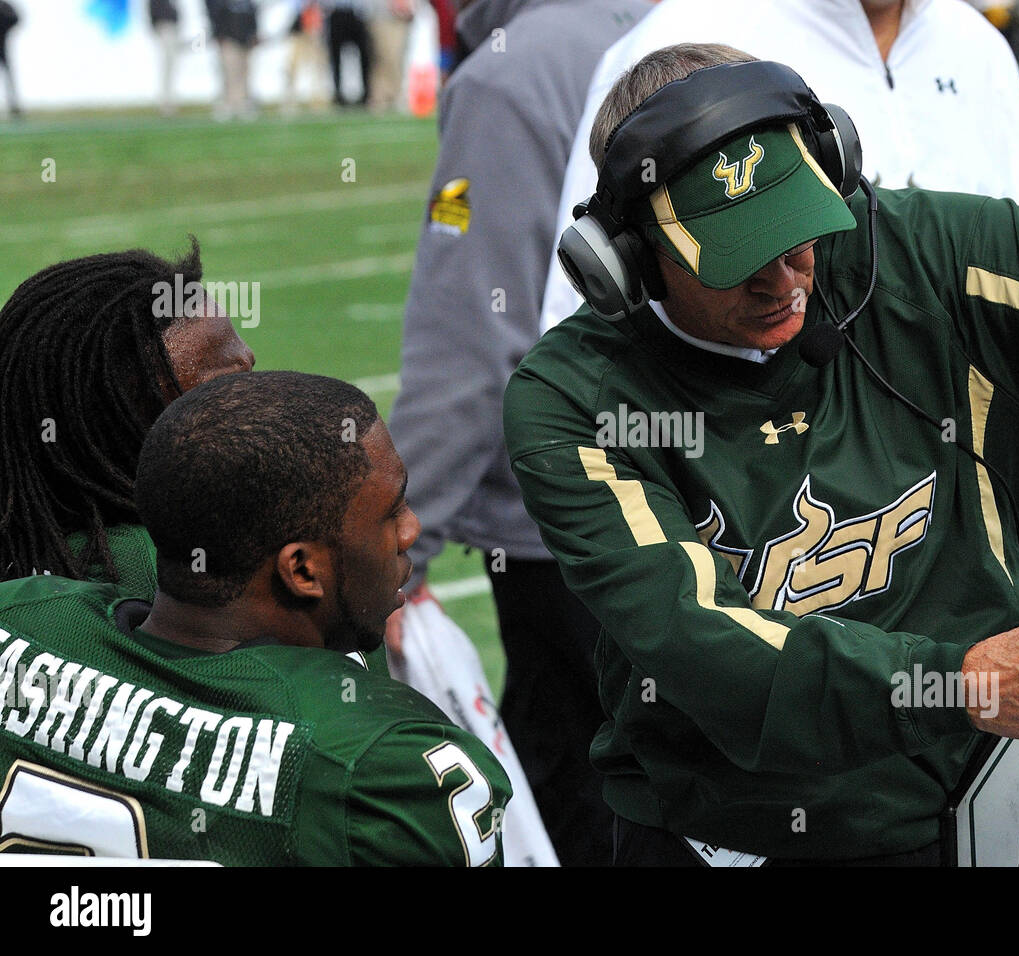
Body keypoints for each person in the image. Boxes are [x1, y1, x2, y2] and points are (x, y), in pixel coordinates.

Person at [503, 44, 1019, 864]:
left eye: (796, 230)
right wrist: (959, 683)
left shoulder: (924, 253)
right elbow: (713, 655)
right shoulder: (572, 400)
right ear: (628, 260)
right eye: (738, 259)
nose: (784, 279)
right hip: (727, 841)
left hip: (986, 809)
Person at [536, 0, 1019, 556]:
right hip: (768, 555)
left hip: (986, 523)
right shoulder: (683, 35)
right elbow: (598, 291)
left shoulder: (975, 41)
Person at [0, 371, 512, 865]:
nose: (412, 530)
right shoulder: (381, 766)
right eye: (391, 512)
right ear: (303, 570)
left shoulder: (18, 616)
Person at [387, 0, 650, 866]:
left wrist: (395, 548)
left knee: (580, 812)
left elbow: (472, 340)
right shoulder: (681, 20)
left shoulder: (510, 71)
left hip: (576, 528)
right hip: (749, 500)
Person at [0, 242, 254, 596]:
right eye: (225, 390)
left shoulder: (28, 531)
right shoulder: (159, 576)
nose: (256, 401)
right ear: (117, 421)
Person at [325, 0, 374, 107]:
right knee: (335, 57)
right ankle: (338, 94)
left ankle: (366, 94)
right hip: (336, 12)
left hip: (357, 14)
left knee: (365, 56)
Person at [150, 0, 181, 116]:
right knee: (167, 66)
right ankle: (166, 103)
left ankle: (169, 101)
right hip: (165, 26)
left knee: (171, 66)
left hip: (171, 26)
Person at [0, 0, 19, 119]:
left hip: (2, 46)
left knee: (9, 79)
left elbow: (15, 19)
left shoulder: (4, 7)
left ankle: (14, 108)